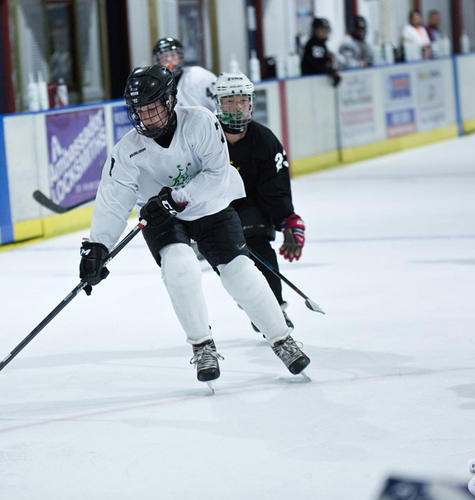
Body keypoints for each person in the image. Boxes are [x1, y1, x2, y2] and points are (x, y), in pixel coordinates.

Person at [78, 66, 310, 384]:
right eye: (140, 110)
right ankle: (202, 345)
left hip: (210, 208)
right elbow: (113, 202)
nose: (147, 117)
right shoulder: (128, 151)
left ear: (170, 100)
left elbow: (217, 176)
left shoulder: (200, 121)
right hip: (161, 216)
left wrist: (178, 196)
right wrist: (97, 247)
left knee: (240, 274)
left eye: (153, 108)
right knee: (179, 267)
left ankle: (282, 339)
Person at [211, 71, 305, 333]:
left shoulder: (264, 140)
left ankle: (274, 311)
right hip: (215, 210)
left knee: (261, 250)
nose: (236, 107)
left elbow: (274, 187)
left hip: (252, 207)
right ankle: (255, 304)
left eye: (241, 100)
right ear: (218, 104)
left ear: (250, 103)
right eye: (229, 101)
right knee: (233, 268)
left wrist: (288, 219)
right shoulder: (205, 137)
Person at [152, 37, 216, 112]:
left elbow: (218, 105)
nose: (169, 60)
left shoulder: (200, 76)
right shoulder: (156, 87)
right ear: (158, 61)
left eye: (173, 55)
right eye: (164, 57)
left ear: (180, 56)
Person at [301, 18, 341, 86]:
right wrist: (330, 71)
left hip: (316, 82)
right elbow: (318, 65)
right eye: (323, 30)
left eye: (326, 30)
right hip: (311, 82)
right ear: (315, 31)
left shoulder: (321, 44)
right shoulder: (314, 44)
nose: (326, 33)